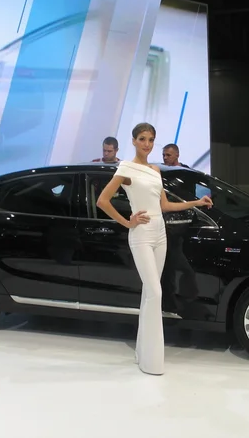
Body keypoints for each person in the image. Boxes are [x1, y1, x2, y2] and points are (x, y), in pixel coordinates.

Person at [96, 122, 213, 376]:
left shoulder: (155, 170)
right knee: (156, 293)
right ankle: (152, 360)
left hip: (161, 233)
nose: (147, 144)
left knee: (149, 295)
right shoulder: (126, 168)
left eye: (151, 139)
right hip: (141, 235)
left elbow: (166, 205)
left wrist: (197, 202)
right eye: (142, 139)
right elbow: (102, 201)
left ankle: (144, 351)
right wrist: (128, 222)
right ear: (134, 141)